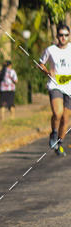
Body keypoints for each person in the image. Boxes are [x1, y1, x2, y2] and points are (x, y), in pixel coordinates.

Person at [39, 23, 71, 157]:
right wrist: (47, 71)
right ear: (57, 36)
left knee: (65, 118)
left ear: (69, 36)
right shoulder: (50, 50)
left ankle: (60, 143)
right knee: (57, 113)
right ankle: (53, 132)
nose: (63, 38)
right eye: (61, 35)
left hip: (69, 86)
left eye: (66, 35)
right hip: (55, 85)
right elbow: (40, 64)